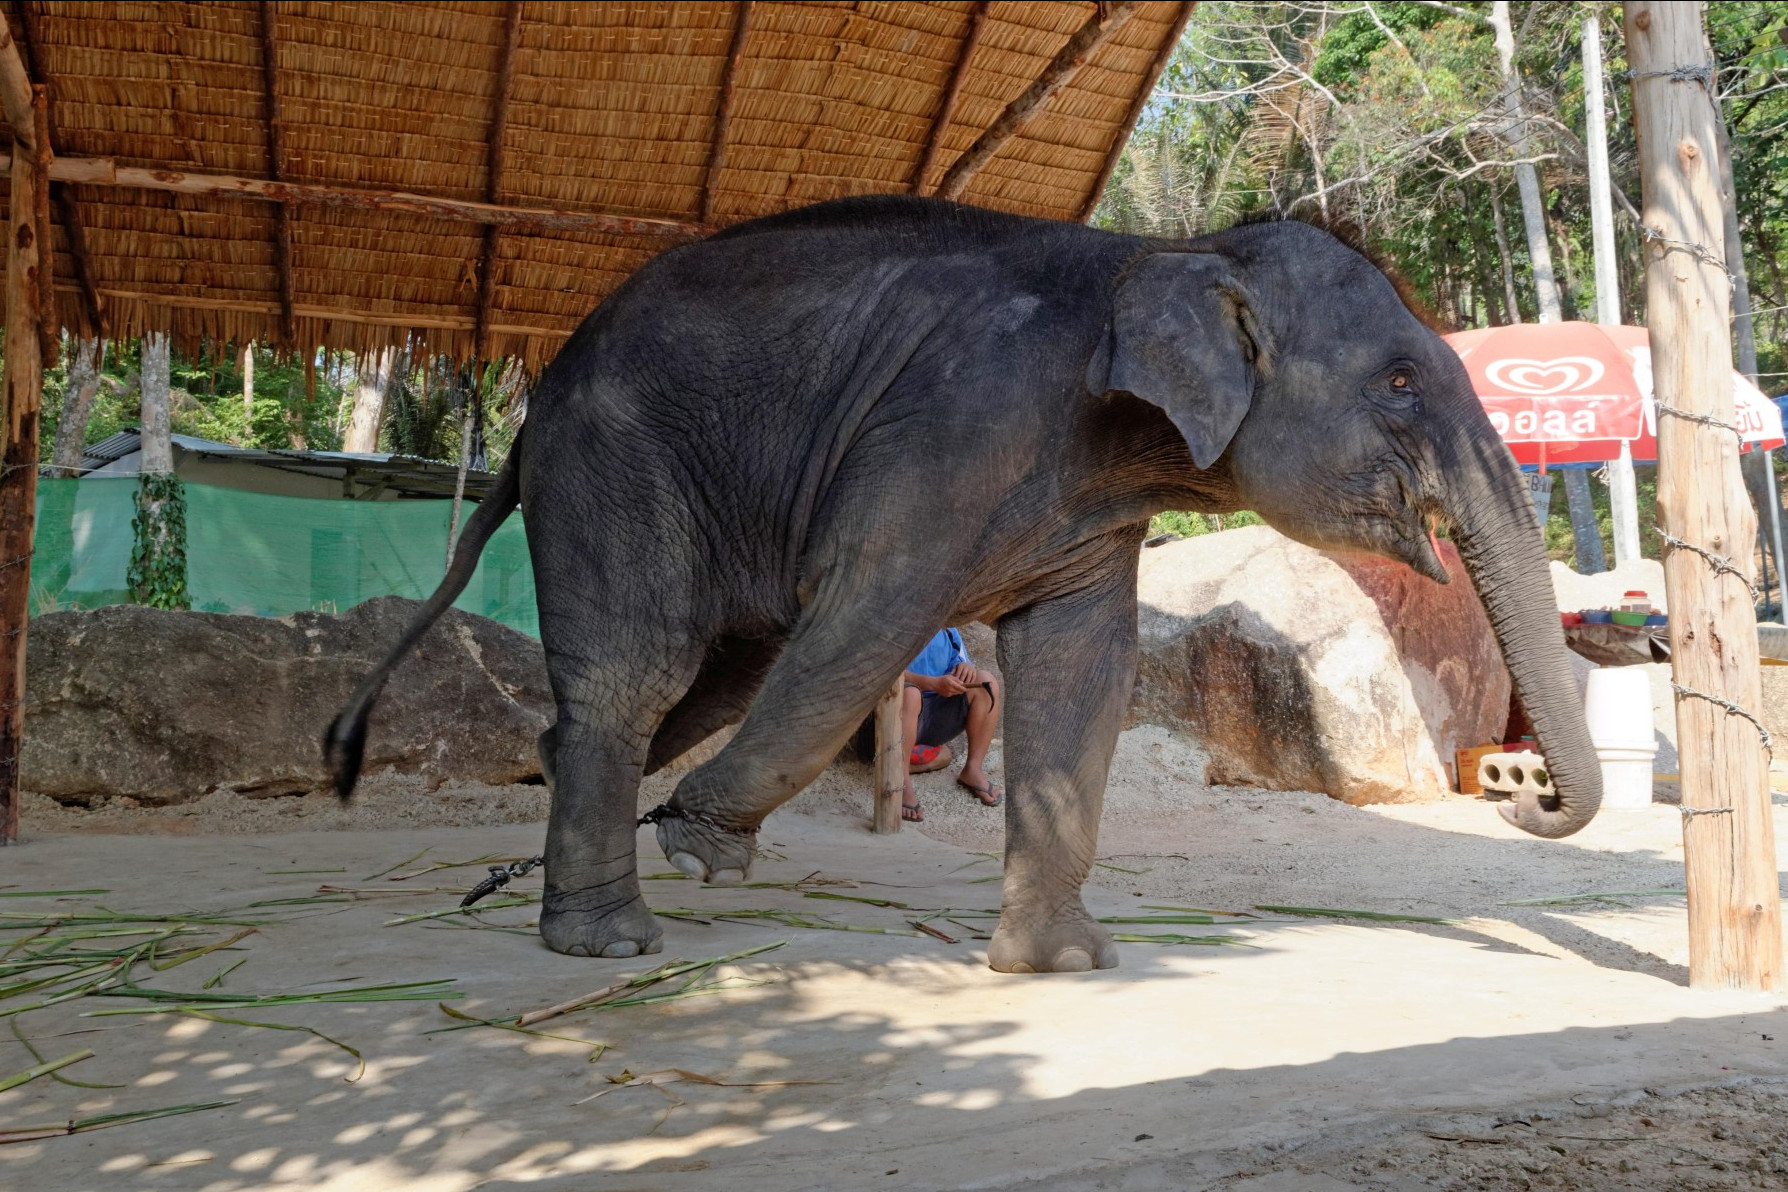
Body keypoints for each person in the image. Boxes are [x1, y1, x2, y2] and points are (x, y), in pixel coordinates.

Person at [856, 627, 1001, 822]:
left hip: (935, 718)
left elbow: (961, 663)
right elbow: (882, 671)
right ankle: (902, 780)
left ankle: (973, 768)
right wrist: (932, 683)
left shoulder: (949, 632)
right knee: (911, 694)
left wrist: (965, 669)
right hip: (895, 718)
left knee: (986, 681)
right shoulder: (892, 625)